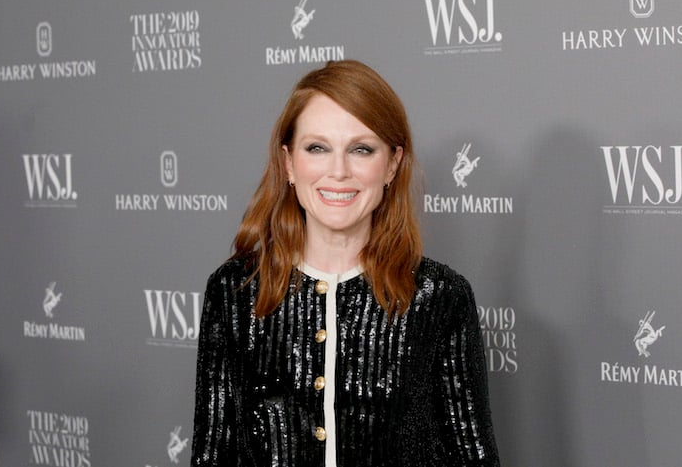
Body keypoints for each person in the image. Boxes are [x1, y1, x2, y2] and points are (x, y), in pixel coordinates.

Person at [191, 60, 500, 467]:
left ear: (392, 164)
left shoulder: (440, 296)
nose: (338, 171)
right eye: (317, 148)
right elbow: (212, 455)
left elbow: (474, 457)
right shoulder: (235, 291)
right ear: (288, 163)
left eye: (361, 149)